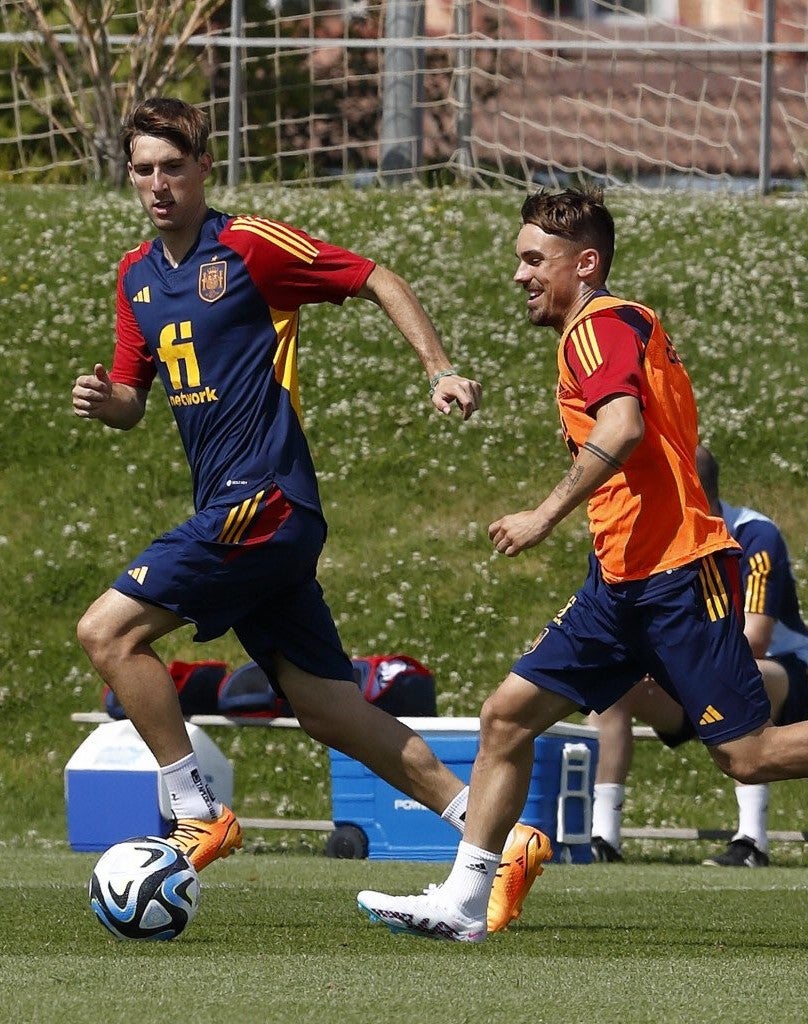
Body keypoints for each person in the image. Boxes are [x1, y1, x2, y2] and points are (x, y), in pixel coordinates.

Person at [355, 186, 808, 943]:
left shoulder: (596, 328)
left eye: (535, 258)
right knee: (508, 716)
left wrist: (541, 514)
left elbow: (624, 425)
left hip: (675, 573)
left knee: (748, 755)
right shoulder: (613, 326)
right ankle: (467, 902)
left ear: (585, 262)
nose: (520, 275)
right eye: (519, 260)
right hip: (620, 582)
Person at [70, 96, 546, 934]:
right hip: (243, 515)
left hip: (264, 502)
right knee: (326, 706)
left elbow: (373, 277)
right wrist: (103, 399)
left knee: (108, 633)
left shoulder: (248, 246)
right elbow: (132, 400)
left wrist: (437, 368)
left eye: (171, 167)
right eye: (142, 169)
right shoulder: (135, 273)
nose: (156, 184)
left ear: (203, 166)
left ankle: (193, 811)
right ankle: (497, 836)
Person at [588, 444, 808, 867]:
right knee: (611, 688)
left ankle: (752, 840)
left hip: (782, 673)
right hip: (688, 672)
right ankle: (602, 838)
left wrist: (672, 665)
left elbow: (754, 640)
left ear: (690, 489)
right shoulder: (654, 533)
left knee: (746, 673)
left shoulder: (755, 535)